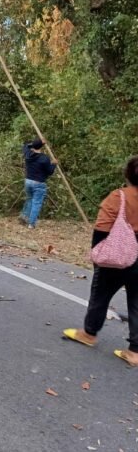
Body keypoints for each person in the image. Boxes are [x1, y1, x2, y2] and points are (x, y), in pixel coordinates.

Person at [63, 156, 138, 366]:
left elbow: (102, 229)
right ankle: (134, 352)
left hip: (119, 255)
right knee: (137, 302)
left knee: (100, 294)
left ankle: (89, 333)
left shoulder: (119, 197)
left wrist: (98, 257)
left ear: (128, 175)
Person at [21, 138, 57, 229]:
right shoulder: (44, 158)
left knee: (29, 199)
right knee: (36, 203)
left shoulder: (28, 154)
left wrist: (35, 144)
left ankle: (24, 217)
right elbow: (50, 172)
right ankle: (31, 224)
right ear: (41, 146)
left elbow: (25, 145)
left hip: (28, 181)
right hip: (38, 183)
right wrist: (54, 164)